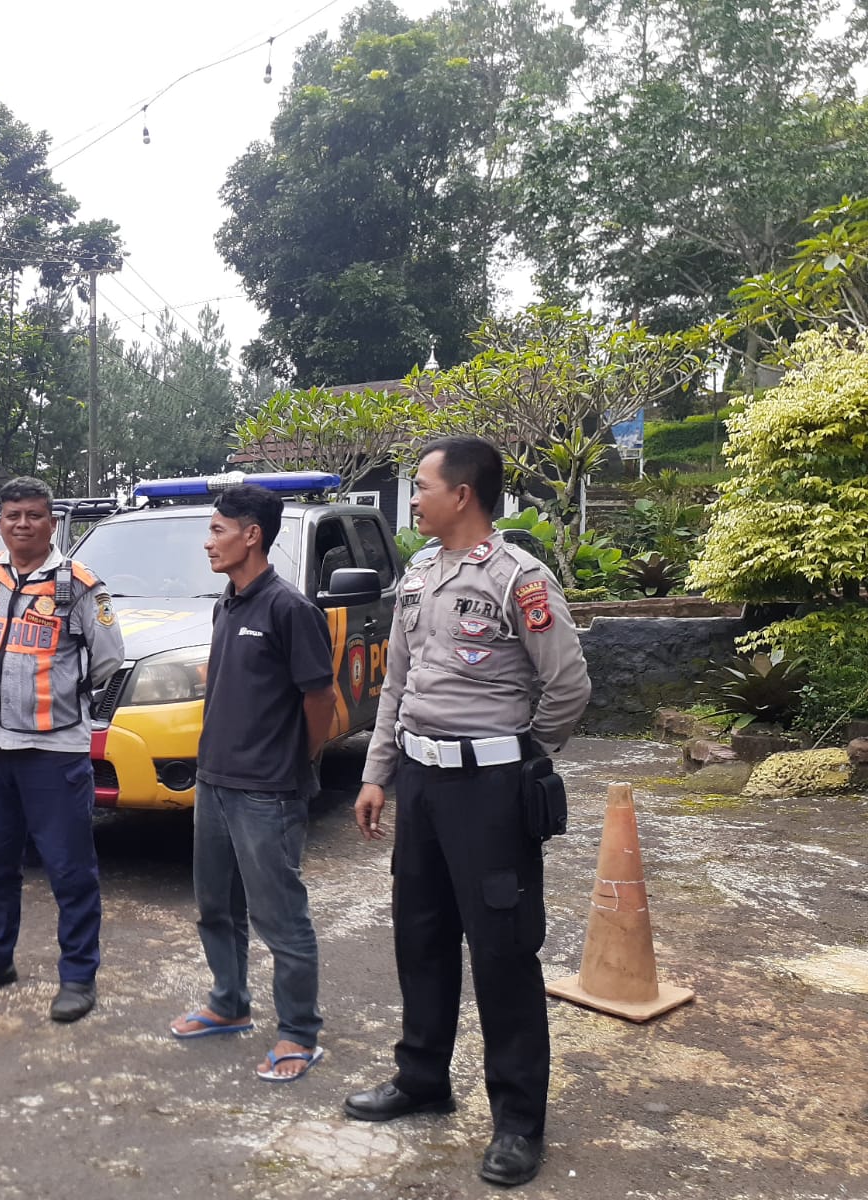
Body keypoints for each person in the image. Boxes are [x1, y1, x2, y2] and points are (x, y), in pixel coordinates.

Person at [343, 438, 591, 1188]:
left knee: (502, 952)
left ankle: (517, 1121)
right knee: (420, 937)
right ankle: (422, 1078)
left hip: (491, 792)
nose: (413, 498)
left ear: (462, 494)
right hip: (420, 783)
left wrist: (520, 756)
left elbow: (568, 686)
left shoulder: (521, 578)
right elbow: (396, 686)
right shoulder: (418, 575)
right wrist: (377, 774)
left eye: (422, 486)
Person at [0, 476, 126, 1023]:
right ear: (1, 522)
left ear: (52, 522)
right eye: (13, 515)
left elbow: (109, 658)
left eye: (34, 515)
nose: (23, 524)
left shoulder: (80, 585)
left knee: (69, 868)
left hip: (54, 750)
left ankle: (78, 976)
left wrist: (64, 698)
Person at [169, 484, 337, 1083]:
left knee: (280, 917)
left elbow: (321, 697)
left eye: (218, 530)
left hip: (267, 791)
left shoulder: (290, 609)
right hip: (214, 781)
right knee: (216, 907)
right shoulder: (228, 604)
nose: (208, 542)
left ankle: (299, 1033)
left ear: (252, 535)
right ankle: (229, 1003)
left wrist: (298, 759)